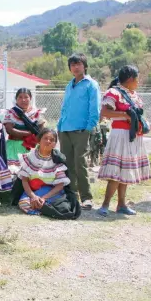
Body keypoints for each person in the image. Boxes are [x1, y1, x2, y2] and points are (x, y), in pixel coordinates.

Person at [97, 65, 151, 216]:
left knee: (125, 171)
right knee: (116, 171)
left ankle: (121, 204)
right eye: (137, 79)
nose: (138, 82)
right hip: (121, 135)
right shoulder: (114, 93)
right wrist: (126, 115)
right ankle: (105, 204)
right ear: (130, 79)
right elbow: (105, 112)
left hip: (133, 136)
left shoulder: (133, 94)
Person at [56, 53, 101, 210]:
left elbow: (94, 109)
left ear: (84, 65)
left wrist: (88, 128)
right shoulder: (70, 85)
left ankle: (86, 197)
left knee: (79, 163)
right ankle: (70, 195)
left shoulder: (91, 85)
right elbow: (65, 107)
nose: (75, 67)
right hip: (65, 130)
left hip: (81, 130)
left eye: (78, 64)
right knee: (67, 164)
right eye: (72, 64)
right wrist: (59, 126)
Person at [15, 129, 71, 216]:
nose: (48, 141)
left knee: (44, 202)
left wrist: (44, 198)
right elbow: (24, 180)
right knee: (24, 203)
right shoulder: (30, 157)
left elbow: (60, 185)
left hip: (50, 191)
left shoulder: (57, 160)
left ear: (54, 144)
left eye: (52, 140)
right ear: (39, 140)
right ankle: (42, 208)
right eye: (45, 138)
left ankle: (42, 205)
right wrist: (33, 196)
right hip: (32, 191)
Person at [3, 88, 46, 174]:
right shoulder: (11, 113)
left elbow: (41, 130)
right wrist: (29, 134)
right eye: (20, 97)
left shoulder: (36, 113)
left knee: (31, 174)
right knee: (13, 173)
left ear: (30, 98)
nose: (23, 100)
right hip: (13, 147)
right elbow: (9, 130)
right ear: (16, 99)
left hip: (31, 149)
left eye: (26, 97)